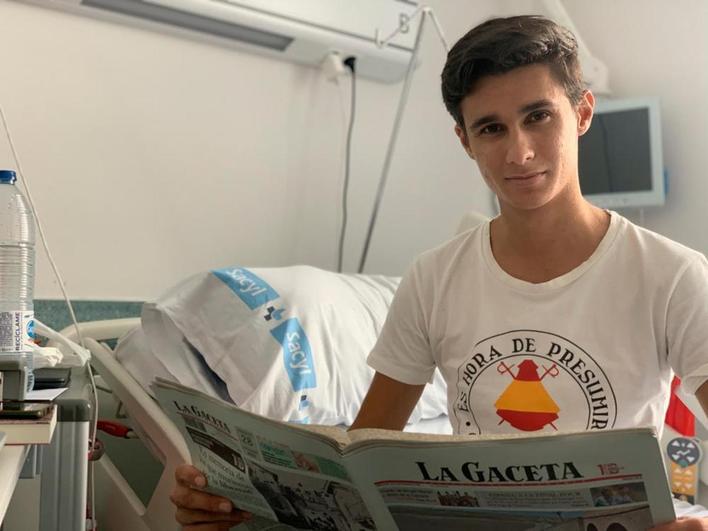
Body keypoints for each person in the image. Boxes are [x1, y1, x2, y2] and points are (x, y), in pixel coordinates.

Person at [169, 15, 708, 530]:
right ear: (465, 141)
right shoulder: (433, 278)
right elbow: (363, 455)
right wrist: (239, 499)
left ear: (583, 112)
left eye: (538, 116)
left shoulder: (671, 275)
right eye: (492, 128)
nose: (519, 152)